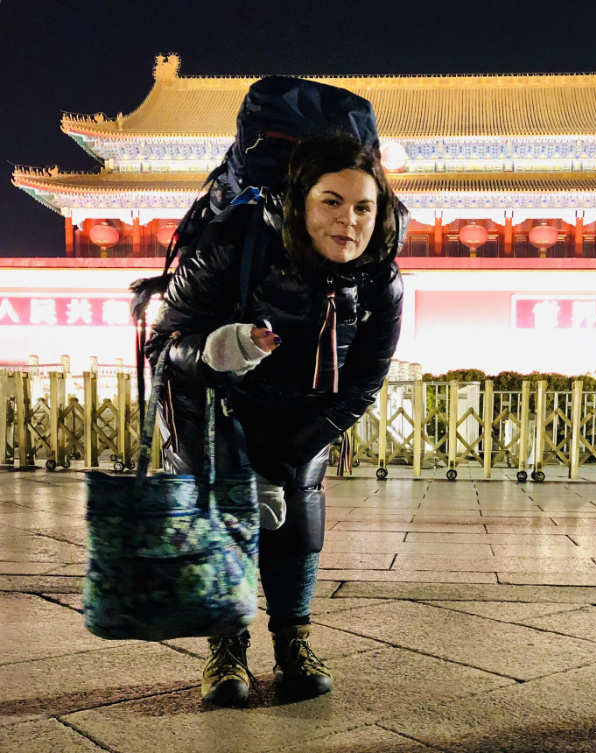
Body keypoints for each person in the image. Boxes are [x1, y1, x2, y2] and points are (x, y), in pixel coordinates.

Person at [146, 132, 405, 706]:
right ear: (299, 202)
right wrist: (218, 348)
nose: (349, 220)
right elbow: (163, 346)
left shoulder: (380, 279)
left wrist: (287, 456)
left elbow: (365, 378)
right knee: (228, 521)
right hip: (212, 411)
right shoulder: (231, 251)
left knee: (297, 516)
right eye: (331, 201)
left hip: (303, 416)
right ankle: (226, 648)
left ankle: (293, 642)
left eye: (365, 206)